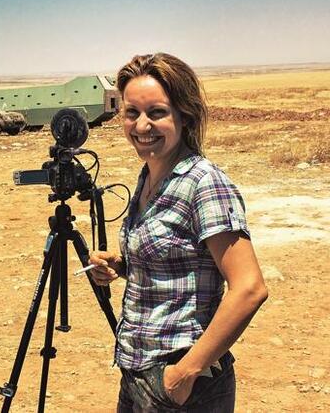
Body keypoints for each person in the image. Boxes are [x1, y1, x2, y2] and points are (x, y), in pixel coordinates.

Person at [88, 53, 268, 412]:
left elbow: (250, 288)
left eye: (157, 112)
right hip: (138, 370)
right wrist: (121, 265)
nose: (141, 126)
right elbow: (178, 258)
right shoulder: (150, 175)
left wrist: (184, 374)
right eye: (131, 113)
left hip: (183, 382)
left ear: (184, 115)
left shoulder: (203, 183)